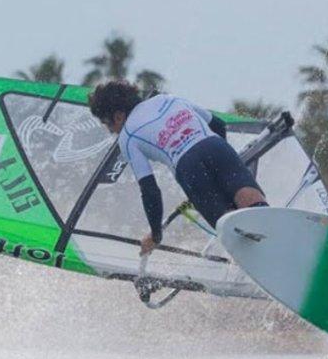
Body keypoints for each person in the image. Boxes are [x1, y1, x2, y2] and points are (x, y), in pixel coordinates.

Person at [88, 81, 268, 255]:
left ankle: (253, 255)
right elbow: (218, 125)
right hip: (216, 147)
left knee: (231, 225)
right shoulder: (168, 99)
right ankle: (270, 227)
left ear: (118, 115)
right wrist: (224, 173)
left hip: (188, 167)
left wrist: (156, 234)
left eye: (107, 123)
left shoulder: (127, 136)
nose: (110, 130)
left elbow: (150, 190)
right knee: (252, 205)